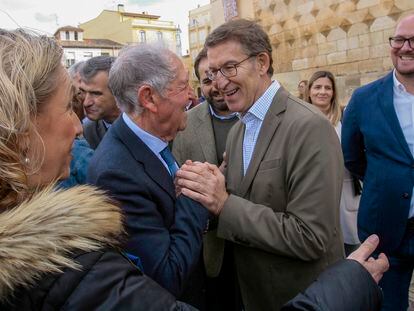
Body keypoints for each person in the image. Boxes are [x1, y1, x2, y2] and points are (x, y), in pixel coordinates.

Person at [0, 28, 194, 310]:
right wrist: (195, 195)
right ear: (21, 131)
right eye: (69, 107)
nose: (79, 127)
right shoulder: (70, 269)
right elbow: (163, 278)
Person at [176, 19, 344, 310]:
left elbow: (310, 236)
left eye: (229, 68)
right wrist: (200, 190)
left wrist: (223, 203)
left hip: (301, 297)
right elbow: (239, 202)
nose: (219, 82)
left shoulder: (309, 127)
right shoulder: (241, 127)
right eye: (214, 72)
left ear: (262, 62)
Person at [87, 44, 210, 308]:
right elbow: (166, 276)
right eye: (183, 85)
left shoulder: (153, 140)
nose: (191, 95)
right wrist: (196, 192)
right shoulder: (116, 174)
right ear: (149, 98)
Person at [342, 14, 414, 310]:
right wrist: (386, 179)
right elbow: (352, 157)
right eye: (398, 39)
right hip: (385, 230)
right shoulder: (363, 99)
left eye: (413, 40)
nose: (405, 47)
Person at [172, 47, 240, 311]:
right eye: (208, 79)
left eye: (220, 75)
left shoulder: (256, 119)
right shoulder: (183, 123)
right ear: (199, 85)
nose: (217, 85)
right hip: (210, 250)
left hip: (259, 242)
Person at [306, 70, 361, 255]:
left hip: (345, 191)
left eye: (328, 88)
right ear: (309, 91)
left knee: (351, 246)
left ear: (333, 92)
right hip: (313, 191)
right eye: (317, 87)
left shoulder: (344, 118)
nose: (322, 92)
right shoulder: (300, 119)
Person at [79, 56, 120, 149]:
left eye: (95, 93)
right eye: (82, 92)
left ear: (118, 92)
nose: (86, 103)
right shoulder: (87, 132)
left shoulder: (146, 126)